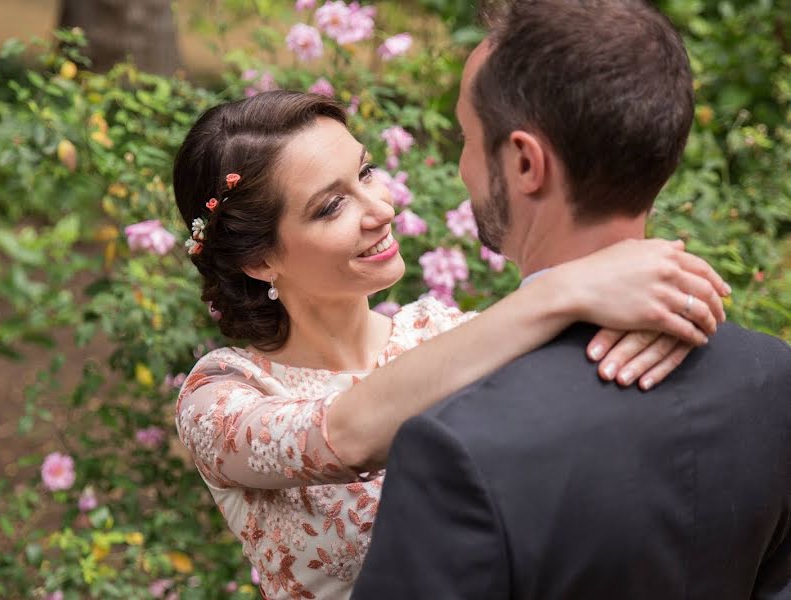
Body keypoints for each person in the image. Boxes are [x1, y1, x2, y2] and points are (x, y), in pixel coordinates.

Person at [171, 88, 730, 598]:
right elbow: (344, 435)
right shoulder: (221, 395)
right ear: (259, 260)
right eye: (331, 205)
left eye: (365, 172)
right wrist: (559, 291)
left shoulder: (447, 333)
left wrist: (669, 303)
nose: (383, 210)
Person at [352, 1, 791, 598]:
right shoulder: (773, 376)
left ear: (526, 162)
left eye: (468, 139)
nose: (461, 167)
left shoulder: (460, 447)